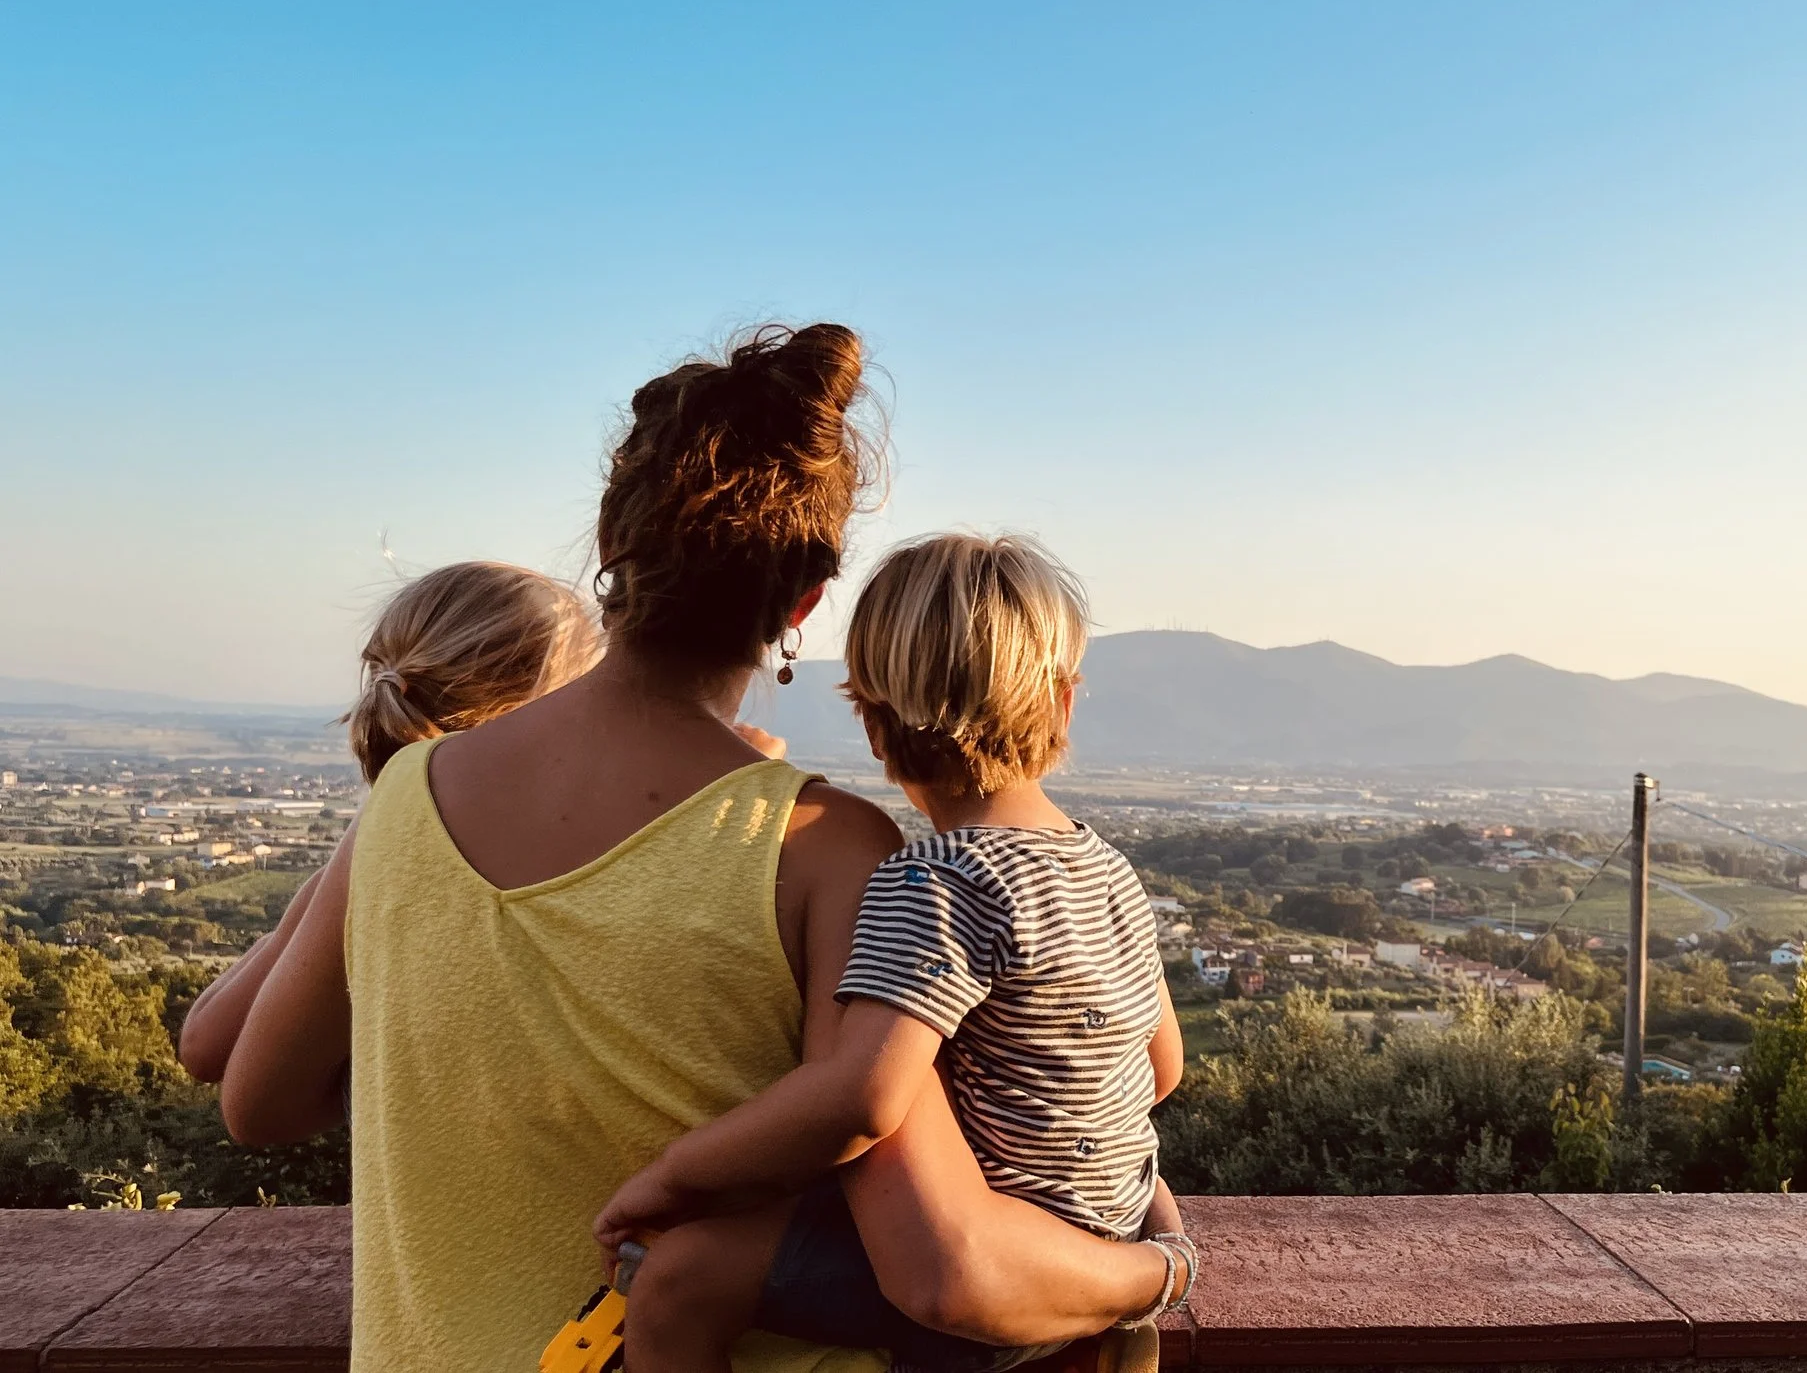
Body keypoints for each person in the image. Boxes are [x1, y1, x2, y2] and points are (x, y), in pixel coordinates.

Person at [220, 325, 1178, 1373]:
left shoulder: (403, 796)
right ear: (806, 602)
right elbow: (945, 1249)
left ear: (610, 550)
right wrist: (1155, 1262)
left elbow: (257, 1101)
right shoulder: (828, 848)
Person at [596, 534, 1195, 1373]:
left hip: (998, 1276)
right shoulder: (1105, 867)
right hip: (1102, 1249)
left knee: (681, 1281)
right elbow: (1161, 1068)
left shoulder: (936, 880)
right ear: (1062, 703)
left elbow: (863, 1099)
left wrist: (675, 1177)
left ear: (871, 721)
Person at [178, 559, 600, 1083]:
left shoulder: (395, 848)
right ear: (542, 704)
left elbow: (203, 1042)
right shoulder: (585, 847)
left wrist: (311, 907)